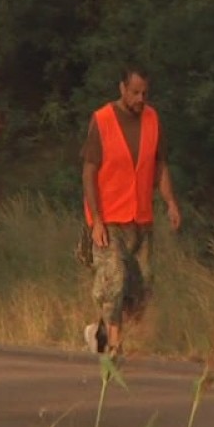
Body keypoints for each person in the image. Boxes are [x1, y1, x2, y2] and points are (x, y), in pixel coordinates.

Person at [81, 66, 181, 359]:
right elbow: (89, 171)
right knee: (114, 278)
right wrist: (96, 220)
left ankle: (99, 330)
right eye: (135, 92)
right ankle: (114, 346)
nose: (140, 98)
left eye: (145, 93)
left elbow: (160, 165)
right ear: (122, 88)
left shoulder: (152, 119)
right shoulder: (102, 120)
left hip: (140, 217)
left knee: (141, 287)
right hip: (109, 217)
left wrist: (170, 202)